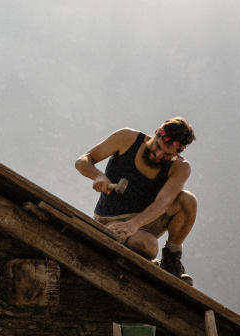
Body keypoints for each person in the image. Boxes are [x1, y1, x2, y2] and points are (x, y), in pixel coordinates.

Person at [75, 117, 197, 284]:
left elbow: (163, 202)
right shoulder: (127, 138)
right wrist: (98, 175)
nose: (159, 154)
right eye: (158, 146)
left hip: (144, 221)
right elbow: (83, 160)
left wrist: (134, 224)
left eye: (168, 155)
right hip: (110, 219)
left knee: (188, 200)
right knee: (147, 246)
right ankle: (126, 242)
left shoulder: (181, 167)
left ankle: (171, 260)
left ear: (177, 153)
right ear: (156, 133)